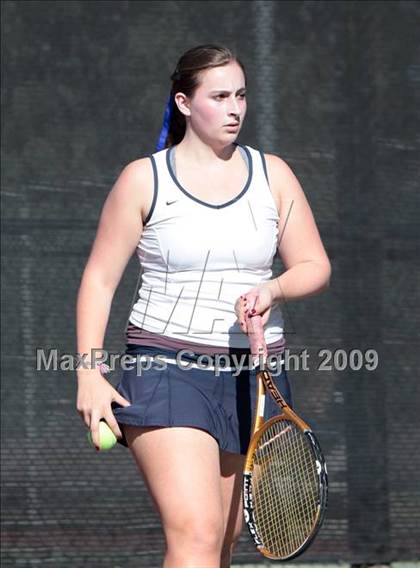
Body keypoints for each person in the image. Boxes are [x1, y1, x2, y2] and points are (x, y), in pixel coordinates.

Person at [76, 44, 331, 568]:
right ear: (185, 103)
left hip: (253, 376)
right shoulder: (143, 179)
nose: (235, 107)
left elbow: (314, 265)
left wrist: (272, 291)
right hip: (166, 367)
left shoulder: (274, 175)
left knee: (222, 540)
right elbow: (99, 280)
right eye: (219, 96)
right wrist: (88, 372)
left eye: (241, 94)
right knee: (196, 535)